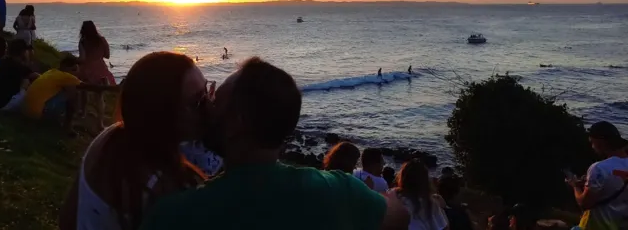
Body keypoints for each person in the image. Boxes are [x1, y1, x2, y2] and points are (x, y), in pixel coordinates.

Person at [141, 57, 411, 230]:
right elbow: (399, 217)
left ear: (237, 122)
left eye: (214, 100)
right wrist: (391, 195)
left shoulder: (176, 215)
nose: (207, 107)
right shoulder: (337, 191)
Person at [59, 52, 213, 230]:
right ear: (161, 113)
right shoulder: (158, 187)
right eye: (198, 101)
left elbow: (68, 217)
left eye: (208, 92)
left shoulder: (111, 137)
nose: (210, 106)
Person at [21, 55, 116, 132]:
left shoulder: (52, 72)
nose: (76, 74)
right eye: (74, 70)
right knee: (74, 95)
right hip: (37, 115)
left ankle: (57, 119)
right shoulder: (66, 76)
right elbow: (93, 88)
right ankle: (67, 127)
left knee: (67, 92)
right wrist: (115, 88)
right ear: (65, 67)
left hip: (26, 112)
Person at [568, 121, 628, 230]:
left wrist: (575, 186)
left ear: (600, 142)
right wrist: (588, 181)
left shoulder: (599, 168)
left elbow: (584, 204)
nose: (592, 146)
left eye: (592, 142)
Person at [77, 20, 115, 129]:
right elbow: (107, 55)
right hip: (101, 70)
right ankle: (100, 123)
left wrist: (74, 60)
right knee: (99, 97)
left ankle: (83, 112)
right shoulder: (101, 40)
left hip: (86, 70)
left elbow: (82, 58)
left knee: (83, 91)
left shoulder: (83, 42)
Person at [390, 159, 448, 230]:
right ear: (425, 181)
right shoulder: (429, 203)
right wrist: (442, 208)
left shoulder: (392, 196)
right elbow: (444, 228)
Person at [0, 39, 38, 111]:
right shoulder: (14, 66)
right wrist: (27, 60)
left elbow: (30, 73)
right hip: (2, 105)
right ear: (23, 52)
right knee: (26, 83)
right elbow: (33, 76)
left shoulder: (6, 61)